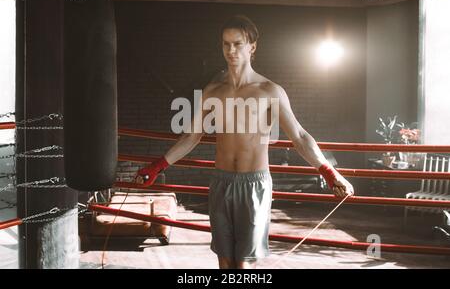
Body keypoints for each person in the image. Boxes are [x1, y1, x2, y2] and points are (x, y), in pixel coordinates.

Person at [134, 15, 354, 269]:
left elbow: (300, 136)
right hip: (221, 182)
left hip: (254, 186)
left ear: (252, 46)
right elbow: (192, 136)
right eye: (226, 44)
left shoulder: (269, 90)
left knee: (244, 266)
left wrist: (329, 171)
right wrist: (158, 165)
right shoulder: (213, 90)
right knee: (225, 264)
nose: (231, 50)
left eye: (238, 43)